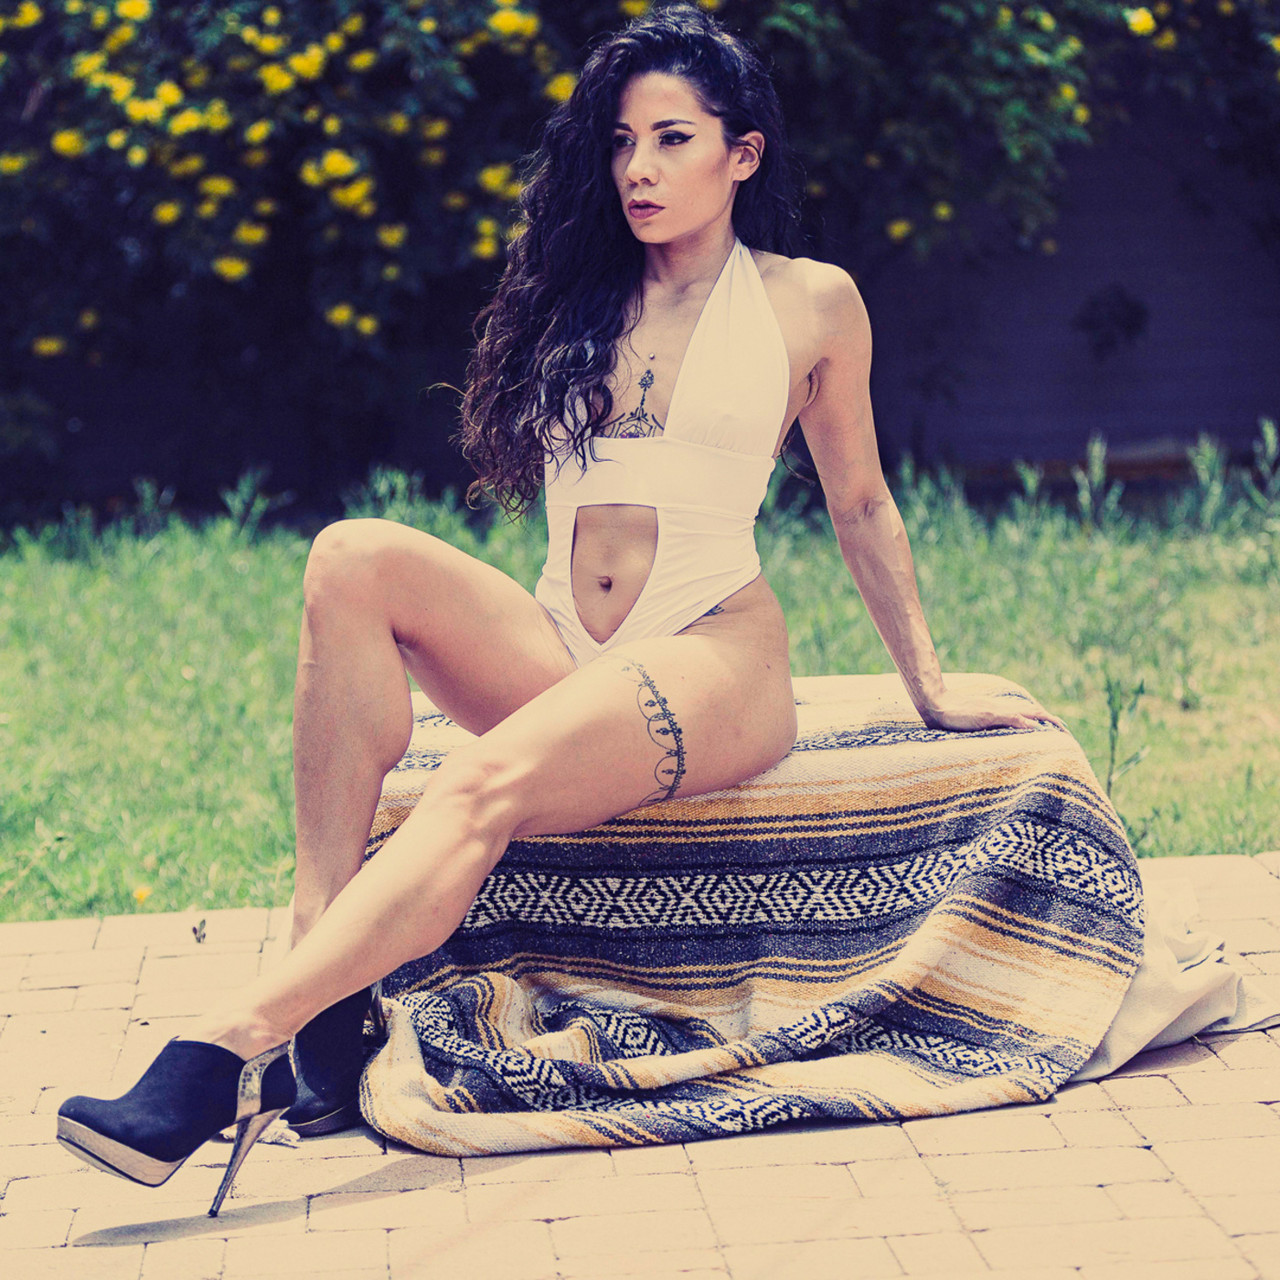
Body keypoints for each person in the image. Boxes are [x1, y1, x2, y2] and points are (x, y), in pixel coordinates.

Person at [57, 2, 1062, 1216]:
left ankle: (223, 1048)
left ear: (741, 154)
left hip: (710, 654)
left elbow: (858, 500)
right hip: (564, 647)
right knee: (348, 553)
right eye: (623, 141)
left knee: (479, 782)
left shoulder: (809, 301)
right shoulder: (580, 290)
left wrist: (928, 682)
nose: (639, 168)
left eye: (673, 139)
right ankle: (323, 992)